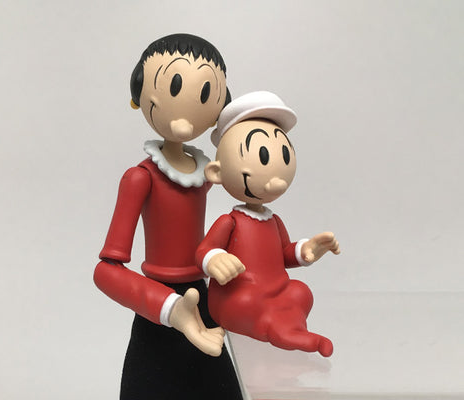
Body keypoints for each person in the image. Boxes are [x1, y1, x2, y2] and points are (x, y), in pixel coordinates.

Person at [93, 33, 243, 400]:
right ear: (140, 91)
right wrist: (170, 308)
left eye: (207, 92)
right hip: (159, 313)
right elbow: (106, 270)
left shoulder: (207, 173)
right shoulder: (139, 178)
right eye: (173, 85)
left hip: (204, 302)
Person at [196, 91, 341, 357]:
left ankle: (292, 328)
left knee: (301, 292)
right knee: (247, 303)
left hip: (276, 291)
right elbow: (204, 251)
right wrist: (215, 259)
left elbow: (284, 253)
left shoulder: (274, 221)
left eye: (284, 155)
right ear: (217, 172)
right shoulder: (230, 221)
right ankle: (279, 331)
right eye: (262, 157)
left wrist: (307, 249)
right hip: (238, 295)